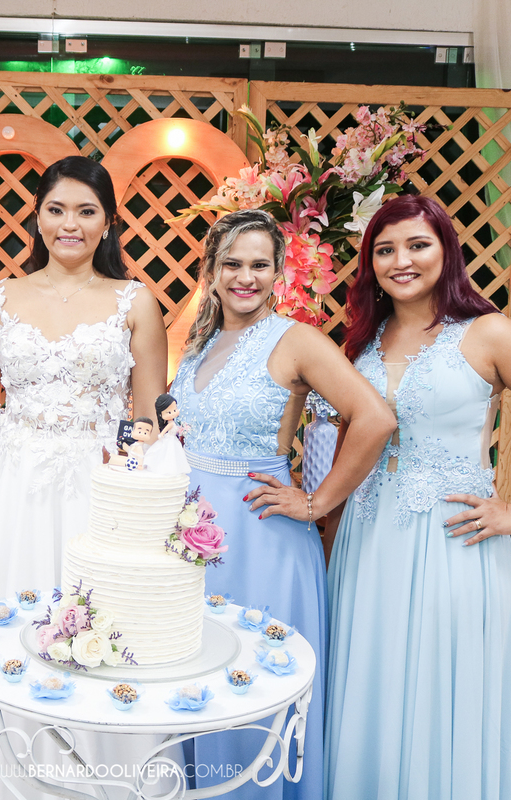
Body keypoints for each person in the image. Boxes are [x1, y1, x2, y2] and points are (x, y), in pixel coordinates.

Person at [322, 195, 511, 800]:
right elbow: (352, 439)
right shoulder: (364, 340)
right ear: (370, 263)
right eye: (385, 249)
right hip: (368, 537)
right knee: (370, 676)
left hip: (450, 541)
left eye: (417, 245)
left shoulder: (488, 333)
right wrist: (329, 525)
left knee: (435, 680)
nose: (401, 260)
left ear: (446, 251)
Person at [0, 155, 169, 798]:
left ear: (108, 222)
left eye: (86, 211)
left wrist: (141, 518)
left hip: (98, 497)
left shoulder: (135, 301)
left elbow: (150, 421)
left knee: (101, 646)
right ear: (38, 216)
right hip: (10, 495)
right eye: (56, 209)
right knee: (10, 647)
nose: (69, 224)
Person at [172, 208, 395, 799]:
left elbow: (374, 418)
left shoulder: (296, 339)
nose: (245, 277)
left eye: (260, 265)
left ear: (279, 272)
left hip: (261, 536)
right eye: (232, 264)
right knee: (200, 683)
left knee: (251, 686)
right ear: (212, 270)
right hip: (196, 538)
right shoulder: (200, 341)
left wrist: (318, 502)